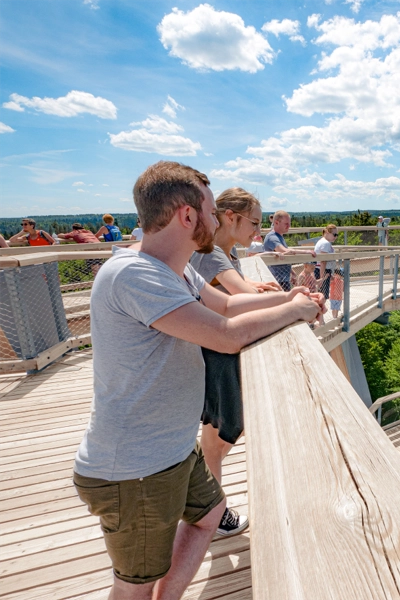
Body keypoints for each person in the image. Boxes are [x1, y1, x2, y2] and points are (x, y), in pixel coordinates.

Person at [73, 161, 324, 600]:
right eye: (210, 210)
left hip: (169, 449)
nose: (215, 219)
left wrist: (289, 296)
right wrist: (296, 311)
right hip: (134, 468)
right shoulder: (134, 273)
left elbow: (226, 309)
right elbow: (225, 337)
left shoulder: (174, 268)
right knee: (133, 589)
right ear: (187, 216)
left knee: (210, 516)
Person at [188, 187, 293, 537]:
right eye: (253, 223)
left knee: (214, 440)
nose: (257, 232)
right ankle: (211, 511)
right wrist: (291, 302)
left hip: (211, 352)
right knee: (219, 439)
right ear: (229, 217)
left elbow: (235, 287)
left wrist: (254, 286)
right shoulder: (212, 254)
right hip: (217, 355)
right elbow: (238, 297)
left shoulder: (221, 253)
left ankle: (209, 507)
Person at [262, 210, 317, 291]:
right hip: (277, 280)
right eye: (286, 224)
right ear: (276, 222)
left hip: (283, 279)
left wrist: (292, 272)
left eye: (289, 224)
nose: (289, 226)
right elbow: (284, 251)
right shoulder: (272, 237)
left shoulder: (278, 236)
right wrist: (306, 251)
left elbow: (283, 256)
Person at [314, 224, 338, 299]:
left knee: (320, 296)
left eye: (337, 235)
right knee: (322, 297)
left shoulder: (323, 242)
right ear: (327, 232)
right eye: (334, 234)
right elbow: (323, 261)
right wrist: (321, 278)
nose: (336, 237)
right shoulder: (325, 243)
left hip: (322, 271)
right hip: (322, 271)